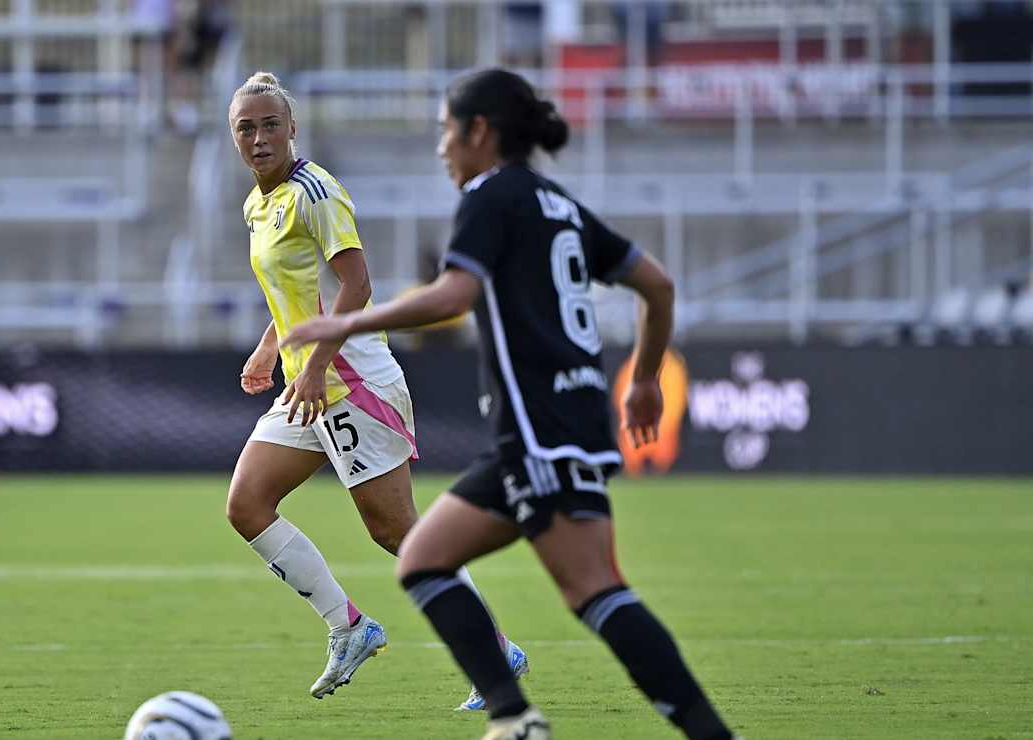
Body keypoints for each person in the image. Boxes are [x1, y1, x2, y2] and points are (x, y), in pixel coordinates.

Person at [282, 68, 735, 740]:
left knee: (594, 589)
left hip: (539, 431)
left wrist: (343, 324)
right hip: (559, 425)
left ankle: (706, 734)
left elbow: (453, 297)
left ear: (479, 133)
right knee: (424, 559)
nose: (440, 147)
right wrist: (642, 380)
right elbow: (658, 286)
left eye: (445, 130)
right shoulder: (558, 203)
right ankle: (513, 717)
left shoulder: (491, 197)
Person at [225, 71, 528, 710]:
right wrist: (271, 346)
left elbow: (357, 286)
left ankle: (494, 653)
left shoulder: (315, 191)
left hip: (351, 381)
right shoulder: (258, 204)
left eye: (269, 124)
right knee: (247, 503)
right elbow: (295, 293)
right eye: (245, 127)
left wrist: (311, 366)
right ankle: (350, 626)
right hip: (312, 383)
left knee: (398, 534)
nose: (258, 138)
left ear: (292, 129)